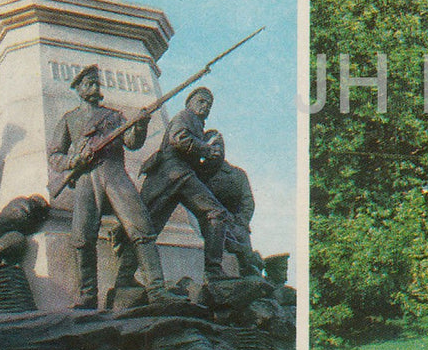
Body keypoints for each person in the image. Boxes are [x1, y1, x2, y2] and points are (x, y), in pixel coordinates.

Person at [47, 65, 177, 308]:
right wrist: (74, 160)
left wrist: (141, 124)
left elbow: (132, 143)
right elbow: (55, 156)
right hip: (87, 177)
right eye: (89, 84)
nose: (95, 88)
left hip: (115, 172)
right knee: (82, 237)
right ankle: (87, 296)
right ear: (79, 89)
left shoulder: (114, 116)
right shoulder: (70, 119)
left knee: (141, 227)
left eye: (97, 83)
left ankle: (157, 290)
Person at [126, 87, 230, 284]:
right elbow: (178, 138)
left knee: (149, 227)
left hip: (176, 177)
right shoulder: (186, 116)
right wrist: (206, 149)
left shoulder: (197, 125)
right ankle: (214, 270)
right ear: (189, 102)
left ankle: (124, 276)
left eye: (209, 103)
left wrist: (210, 156)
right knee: (215, 213)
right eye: (201, 100)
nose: (205, 105)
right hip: (175, 173)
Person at [198, 130, 265, 276]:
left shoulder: (237, 174)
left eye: (221, 145)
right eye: (213, 145)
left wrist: (240, 222)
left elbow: (248, 202)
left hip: (237, 228)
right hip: (211, 228)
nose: (218, 149)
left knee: (248, 271)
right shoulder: (198, 175)